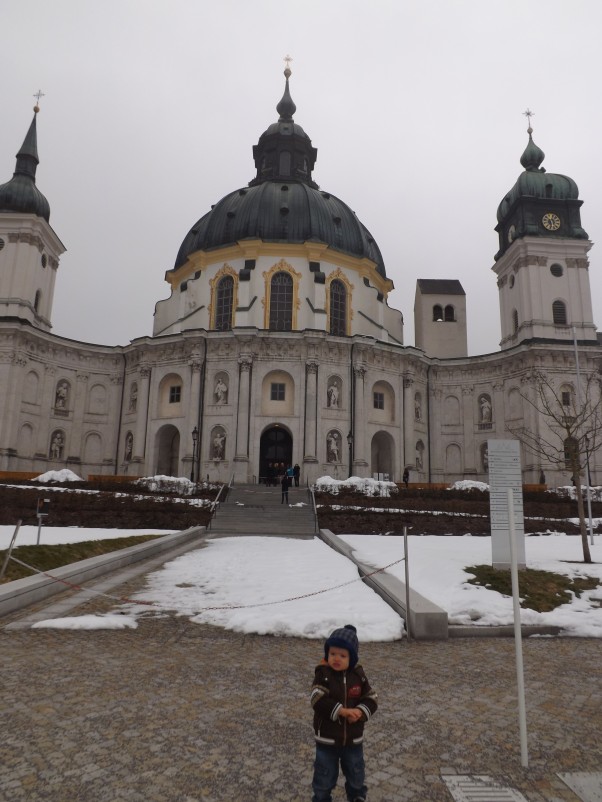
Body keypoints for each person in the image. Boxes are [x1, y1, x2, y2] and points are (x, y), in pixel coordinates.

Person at [310, 625, 378, 802]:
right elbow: (317, 699)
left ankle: (357, 797)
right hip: (327, 739)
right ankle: (321, 798)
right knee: (324, 777)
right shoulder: (323, 674)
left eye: (342, 655)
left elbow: (371, 698)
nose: (336, 659)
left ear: (352, 657)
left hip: (353, 740)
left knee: (356, 774)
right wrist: (341, 711)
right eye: (332, 654)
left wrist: (360, 711)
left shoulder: (359, 675)